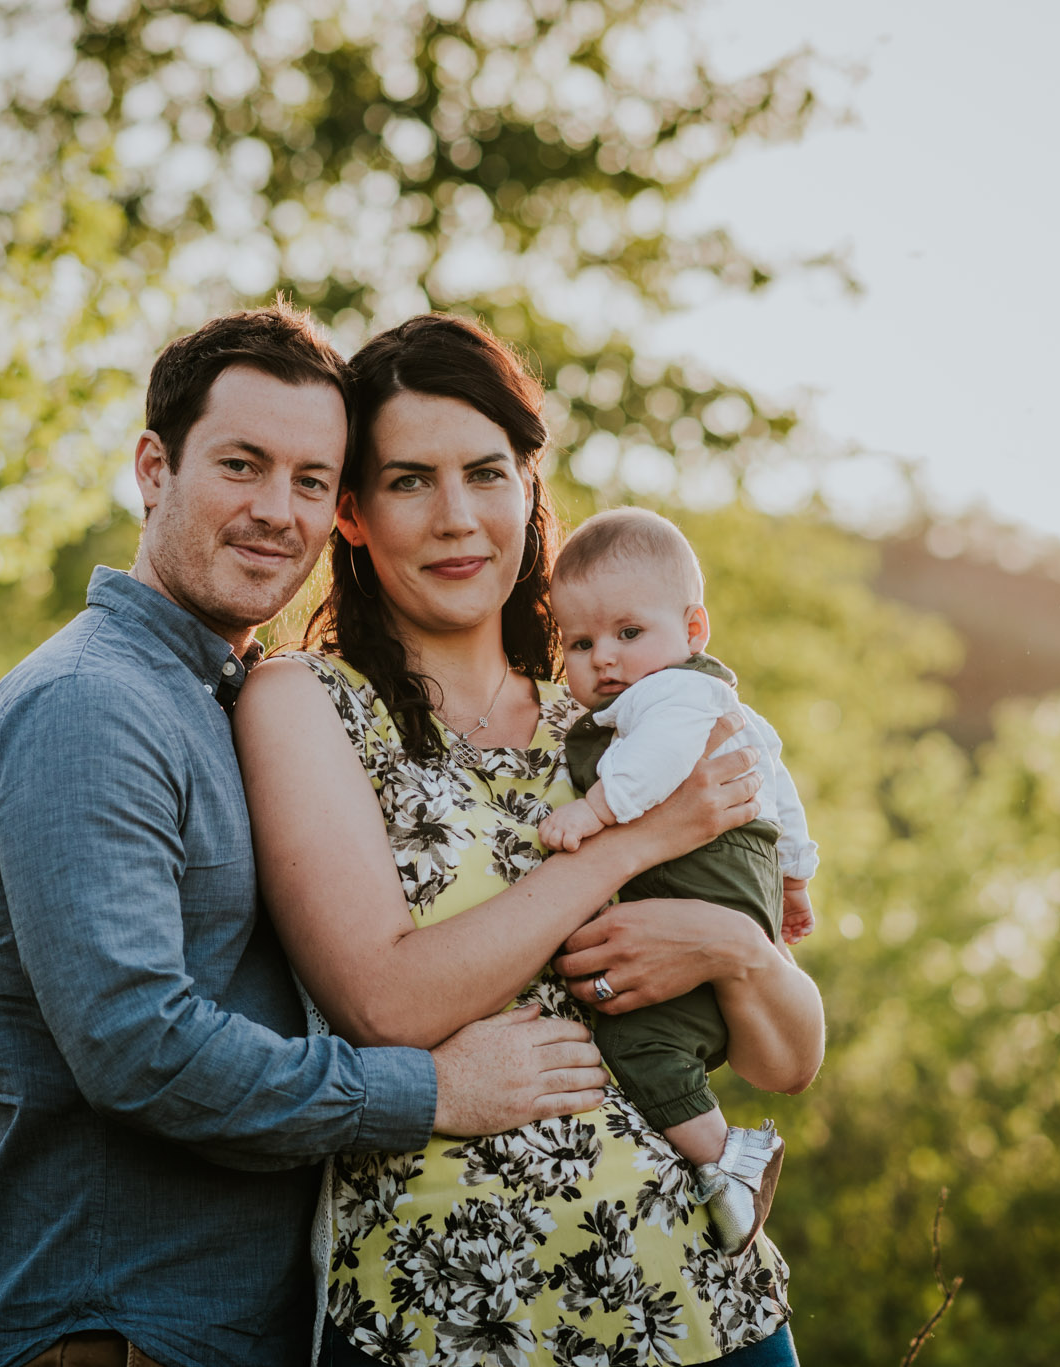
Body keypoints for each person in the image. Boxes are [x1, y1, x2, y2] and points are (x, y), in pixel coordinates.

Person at [0, 304, 619, 1367]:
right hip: (110, 1328)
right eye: (241, 465)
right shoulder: (89, 705)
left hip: (231, 1329)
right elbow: (137, 1045)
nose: (276, 511)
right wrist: (433, 1091)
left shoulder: (226, 697)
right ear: (152, 468)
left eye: (310, 479)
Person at [235, 314, 825, 1367]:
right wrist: (626, 848)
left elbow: (786, 1060)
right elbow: (386, 1002)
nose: (458, 517)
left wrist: (729, 945)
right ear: (354, 515)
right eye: (409, 480)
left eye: (486, 472)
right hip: (449, 1318)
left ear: (527, 488)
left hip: (705, 1309)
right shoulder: (307, 702)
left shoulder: (621, 721)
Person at [537, 506, 823, 1256]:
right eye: (582, 642)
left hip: (708, 877)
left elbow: (658, 761)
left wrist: (597, 809)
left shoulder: (667, 699)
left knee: (638, 1036)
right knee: (672, 1019)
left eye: (630, 633)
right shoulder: (724, 703)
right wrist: (796, 879)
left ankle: (727, 1157)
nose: (605, 658)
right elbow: (778, 786)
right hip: (741, 879)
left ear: (694, 630)